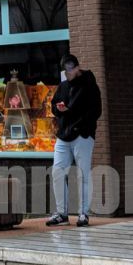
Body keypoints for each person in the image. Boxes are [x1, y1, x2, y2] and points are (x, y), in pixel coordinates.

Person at [46, 53, 101, 227]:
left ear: (77, 68)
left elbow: (95, 111)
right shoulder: (63, 87)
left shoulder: (89, 85)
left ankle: (83, 214)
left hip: (82, 135)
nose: (67, 74)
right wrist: (58, 109)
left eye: (70, 70)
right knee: (57, 171)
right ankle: (61, 213)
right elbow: (54, 105)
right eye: (65, 71)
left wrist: (80, 125)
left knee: (83, 174)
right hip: (64, 135)